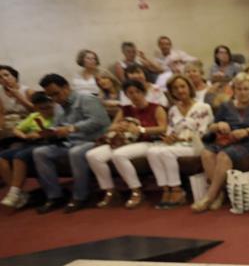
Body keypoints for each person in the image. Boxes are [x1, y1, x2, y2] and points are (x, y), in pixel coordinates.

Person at [32, 73, 111, 214]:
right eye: (51, 96)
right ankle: (54, 196)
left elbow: (99, 121)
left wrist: (72, 128)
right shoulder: (58, 107)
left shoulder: (86, 99)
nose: (55, 99)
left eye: (57, 94)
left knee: (75, 153)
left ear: (66, 87)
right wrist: (51, 133)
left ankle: (80, 196)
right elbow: (58, 126)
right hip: (70, 142)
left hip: (94, 140)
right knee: (40, 152)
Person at [86, 79, 169, 209]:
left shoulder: (156, 108)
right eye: (130, 93)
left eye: (137, 92)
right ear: (126, 95)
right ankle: (110, 191)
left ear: (144, 92)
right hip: (124, 141)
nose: (134, 95)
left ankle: (136, 191)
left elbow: (163, 128)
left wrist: (141, 129)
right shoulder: (125, 109)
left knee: (118, 155)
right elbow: (111, 127)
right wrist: (119, 126)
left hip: (147, 141)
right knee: (93, 155)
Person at [194, 74, 249, 213]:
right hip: (226, 140)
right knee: (206, 152)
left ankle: (210, 196)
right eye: (239, 89)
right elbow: (211, 126)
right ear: (234, 90)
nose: (242, 92)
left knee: (224, 155)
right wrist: (219, 125)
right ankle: (220, 193)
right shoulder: (226, 105)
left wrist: (247, 131)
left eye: (246, 89)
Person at [148, 74, 210, 209]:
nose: (180, 90)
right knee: (152, 151)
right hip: (176, 144)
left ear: (189, 88)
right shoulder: (173, 110)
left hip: (196, 145)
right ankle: (166, 190)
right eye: (175, 88)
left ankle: (177, 190)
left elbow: (203, 132)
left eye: (183, 86)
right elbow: (170, 131)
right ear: (172, 92)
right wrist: (170, 137)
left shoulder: (203, 107)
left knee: (166, 153)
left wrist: (181, 138)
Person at [0, 91, 56, 209]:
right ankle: (18, 193)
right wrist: (24, 136)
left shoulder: (57, 116)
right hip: (29, 143)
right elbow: (16, 129)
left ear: (52, 104)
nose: (45, 110)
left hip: (46, 143)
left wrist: (38, 134)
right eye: (41, 108)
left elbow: (53, 132)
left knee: (20, 156)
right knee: (2, 156)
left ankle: (14, 193)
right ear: (36, 108)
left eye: (48, 107)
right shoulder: (34, 116)